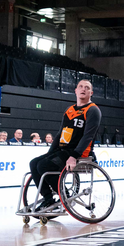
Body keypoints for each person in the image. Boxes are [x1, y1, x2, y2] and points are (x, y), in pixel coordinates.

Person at [28, 80, 102, 211]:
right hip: (63, 150)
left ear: (91, 93)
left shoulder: (93, 110)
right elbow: (59, 134)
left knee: (43, 165)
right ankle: (48, 199)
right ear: (76, 90)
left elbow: (88, 136)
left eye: (87, 88)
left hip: (79, 152)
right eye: (80, 87)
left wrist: (74, 156)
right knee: (34, 163)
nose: (83, 89)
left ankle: (65, 196)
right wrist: (49, 153)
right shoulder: (69, 110)